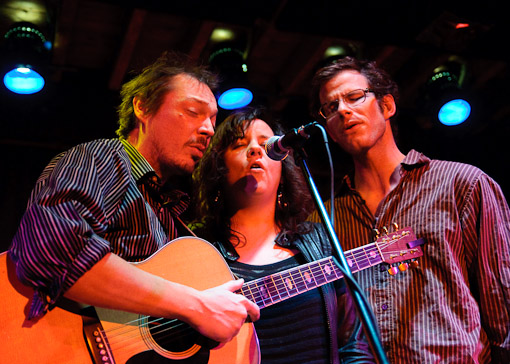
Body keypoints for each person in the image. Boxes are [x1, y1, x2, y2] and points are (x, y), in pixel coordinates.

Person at [8, 51, 259, 346]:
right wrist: (195, 305)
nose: (208, 130)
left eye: (213, 120)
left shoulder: (166, 210)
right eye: (194, 111)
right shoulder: (106, 159)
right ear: (142, 107)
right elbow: (55, 247)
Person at [307, 56, 510, 363]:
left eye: (354, 97)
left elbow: (502, 305)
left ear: (387, 106)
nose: (343, 110)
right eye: (331, 107)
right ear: (330, 131)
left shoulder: (463, 184)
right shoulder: (323, 221)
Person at [191, 107, 375, 363]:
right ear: (218, 166)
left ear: (283, 167)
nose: (255, 150)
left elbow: (352, 345)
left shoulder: (319, 240)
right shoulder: (195, 248)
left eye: (267, 144)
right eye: (239, 144)